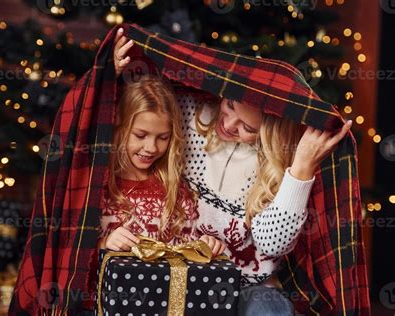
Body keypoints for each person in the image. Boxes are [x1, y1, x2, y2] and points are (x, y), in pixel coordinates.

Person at [113, 27, 352, 315]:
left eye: (247, 128)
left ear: (268, 133)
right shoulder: (190, 113)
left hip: (248, 283)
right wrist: (112, 72)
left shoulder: (274, 165)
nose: (228, 124)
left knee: (268, 309)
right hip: (190, 274)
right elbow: (140, 104)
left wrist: (300, 169)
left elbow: (273, 244)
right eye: (230, 106)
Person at [97, 75, 226, 255]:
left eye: (163, 138)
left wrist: (205, 245)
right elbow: (74, 252)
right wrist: (105, 243)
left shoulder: (176, 189)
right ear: (120, 128)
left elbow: (186, 250)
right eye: (140, 135)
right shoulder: (99, 186)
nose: (151, 148)